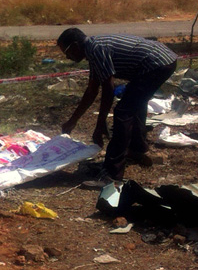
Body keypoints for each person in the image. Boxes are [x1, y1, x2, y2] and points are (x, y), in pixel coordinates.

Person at [57, 28, 178, 188]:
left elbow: (108, 91)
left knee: (123, 112)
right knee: (135, 102)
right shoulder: (93, 50)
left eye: (67, 51)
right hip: (162, 60)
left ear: (75, 45)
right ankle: (137, 149)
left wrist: (100, 125)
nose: (67, 57)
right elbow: (92, 90)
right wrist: (72, 121)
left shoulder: (96, 49)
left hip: (157, 63)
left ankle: (112, 175)